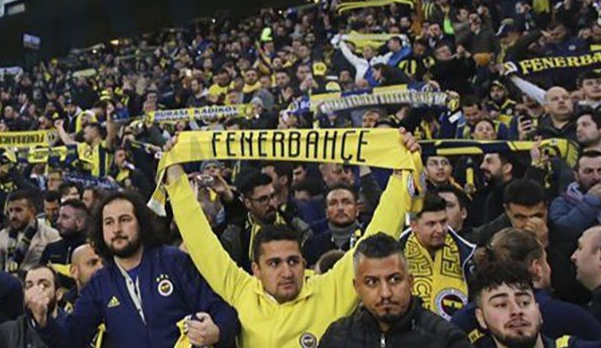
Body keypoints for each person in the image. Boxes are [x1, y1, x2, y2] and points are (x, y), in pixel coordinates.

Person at [162, 130, 421, 348]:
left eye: (293, 261)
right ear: (256, 269)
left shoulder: (329, 291)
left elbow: (379, 233)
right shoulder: (242, 291)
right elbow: (201, 242)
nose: (287, 272)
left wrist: (401, 170)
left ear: (303, 262)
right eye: (274, 263)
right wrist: (173, 172)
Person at [29, 189, 239, 348]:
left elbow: (223, 310)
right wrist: (43, 321)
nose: (117, 229)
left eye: (125, 220)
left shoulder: (173, 261)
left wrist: (217, 331)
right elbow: (71, 338)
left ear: (141, 223)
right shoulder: (100, 284)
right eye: (109, 222)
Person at [451, 229, 601, 347]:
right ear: (480, 317)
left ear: (538, 310)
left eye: (524, 302)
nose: (516, 311)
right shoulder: (574, 317)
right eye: (501, 304)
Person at [319, 233, 471, 348]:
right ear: (357, 287)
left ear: (410, 281)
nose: (385, 293)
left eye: (394, 279)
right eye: (372, 282)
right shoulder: (337, 338)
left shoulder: (445, 340)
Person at [400, 192, 475, 319]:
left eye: (443, 222)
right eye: (431, 224)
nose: (440, 229)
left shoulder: (467, 257)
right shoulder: (396, 255)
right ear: (414, 225)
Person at [0, 265, 56, 348]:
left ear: (59, 294)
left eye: (44, 285)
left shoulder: (63, 328)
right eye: (29, 286)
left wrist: (42, 322)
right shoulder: (15, 328)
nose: (35, 292)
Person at [0, 189, 60, 275]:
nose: (13, 216)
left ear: (32, 211)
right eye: (10, 210)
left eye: (18, 210)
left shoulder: (50, 234)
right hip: (8, 280)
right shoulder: (3, 235)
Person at [551, 151, 601, 234]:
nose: (596, 177)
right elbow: (560, 231)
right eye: (588, 171)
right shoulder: (562, 202)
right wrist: (590, 202)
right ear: (576, 176)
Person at [305, 186, 365, 266]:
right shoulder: (313, 244)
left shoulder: (367, 239)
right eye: (333, 203)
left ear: (357, 210)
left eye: (346, 202)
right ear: (326, 212)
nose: (340, 208)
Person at [40, 199, 89, 268]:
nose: (58, 221)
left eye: (65, 217)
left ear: (79, 222)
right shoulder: (51, 249)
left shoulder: (91, 250)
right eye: (59, 216)